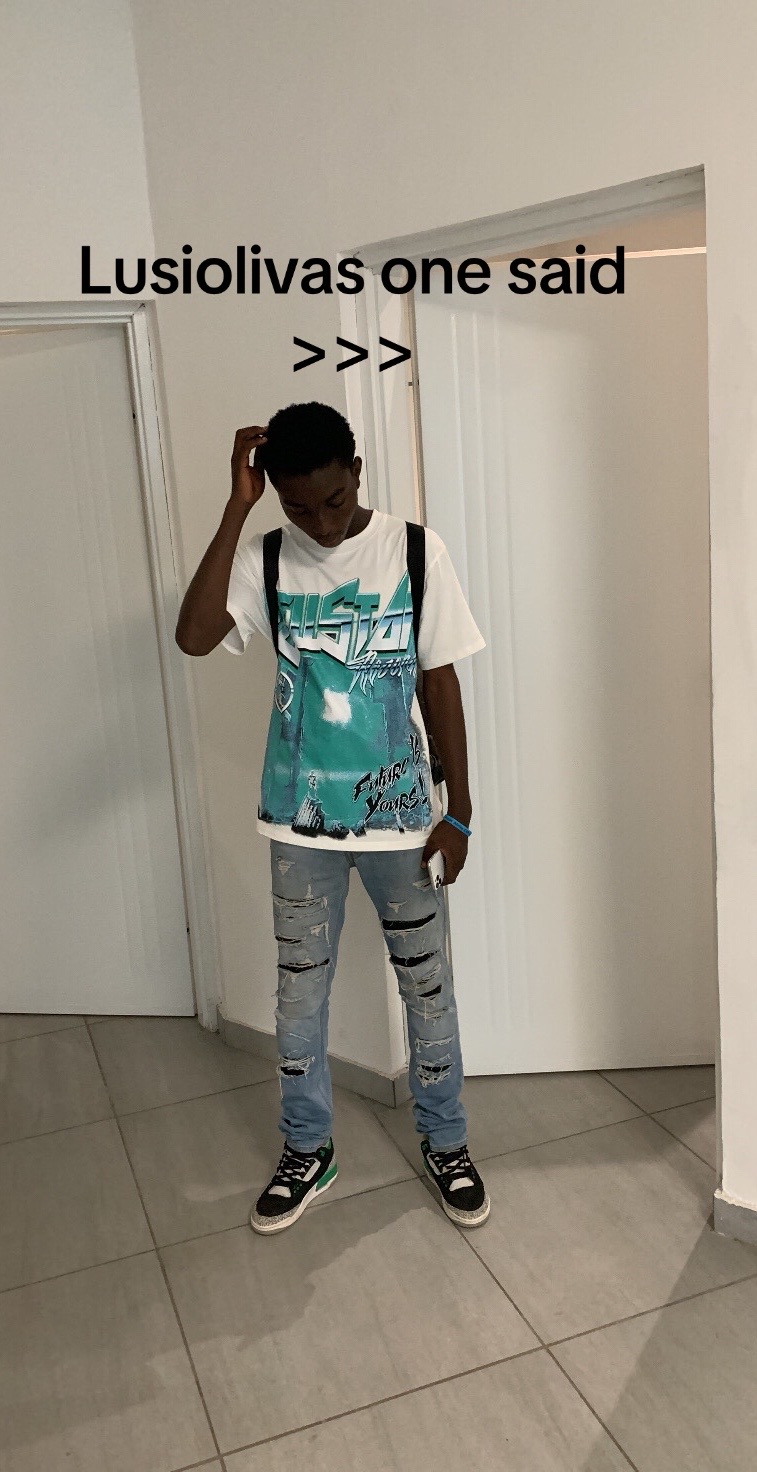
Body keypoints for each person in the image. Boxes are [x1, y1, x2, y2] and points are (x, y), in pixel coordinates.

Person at [175, 400, 490, 1234]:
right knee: (298, 999)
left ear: (356, 472)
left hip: (403, 822)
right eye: (296, 507)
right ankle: (307, 1148)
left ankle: (446, 1141)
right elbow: (194, 637)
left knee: (427, 988)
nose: (318, 523)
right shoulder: (267, 556)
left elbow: (439, 680)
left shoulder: (414, 550)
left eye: (333, 501)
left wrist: (459, 814)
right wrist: (238, 506)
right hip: (297, 823)